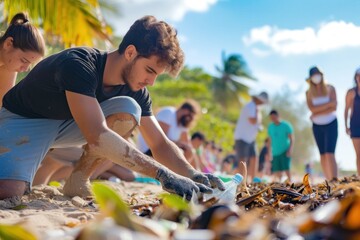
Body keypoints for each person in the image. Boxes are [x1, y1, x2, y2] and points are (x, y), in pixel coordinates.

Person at [0, 16, 224, 200]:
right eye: (149, 70)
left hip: (67, 128)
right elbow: (97, 135)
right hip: (23, 120)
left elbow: (160, 143)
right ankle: (44, 158)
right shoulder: (79, 64)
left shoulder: (136, 89)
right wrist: (162, 174)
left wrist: (193, 174)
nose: (151, 82)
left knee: (130, 109)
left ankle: (78, 181)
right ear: (130, 53)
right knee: (9, 195)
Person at [0, 12, 45, 107]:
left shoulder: (8, 66)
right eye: (24, 61)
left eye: (30, 64)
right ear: (8, 44)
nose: (25, 69)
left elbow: (2, 105)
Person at [305, 66, 338, 180]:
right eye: (313, 75)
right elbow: (311, 109)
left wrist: (317, 111)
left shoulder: (330, 88)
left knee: (330, 153)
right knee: (323, 154)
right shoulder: (308, 93)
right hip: (317, 126)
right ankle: (328, 180)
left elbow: (334, 107)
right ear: (310, 78)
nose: (316, 77)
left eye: (317, 74)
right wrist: (327, 105)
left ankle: (335, 179)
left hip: (331, 123)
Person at [233, 91, 269, 182]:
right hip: (242, 136)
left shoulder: (256, 108)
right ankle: (240, 180)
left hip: (250, 138)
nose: (263, 103)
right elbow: (252, 121)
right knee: (243, 159)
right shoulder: (251, 106)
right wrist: (257, 114)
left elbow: (256, 124)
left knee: (254, 157)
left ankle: (253, 179)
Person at [268, 110, 294, 182]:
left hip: (285, 150)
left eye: (274, 117)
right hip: (275, 152)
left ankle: (290, 182)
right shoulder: (270, 127)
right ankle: (281, 183)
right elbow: (269, 140)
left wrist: (290, 149)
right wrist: (269, 152)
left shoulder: (286, 125)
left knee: (286, 168)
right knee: (277, 170)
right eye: (271, 118)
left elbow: (291, 138)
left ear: (278, 116)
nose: (273, 119)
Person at [345, 67, 360, 175]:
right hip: (355, 126)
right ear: (356, 77)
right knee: (359, 154)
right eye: (358, 75)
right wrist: (346, 125)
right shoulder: (351, 92)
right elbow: (346, 109)